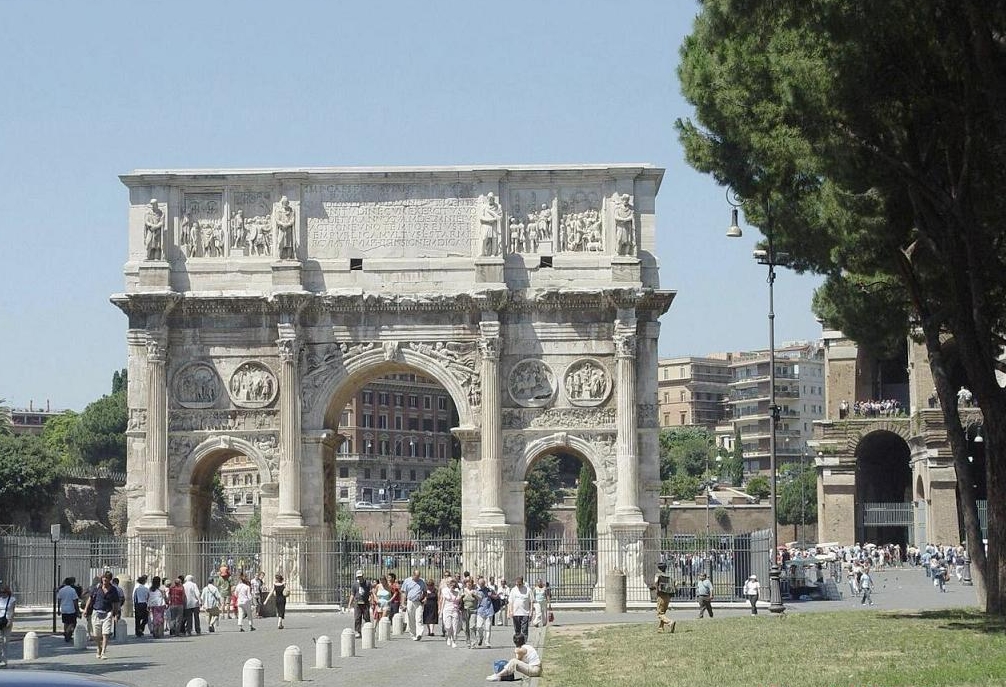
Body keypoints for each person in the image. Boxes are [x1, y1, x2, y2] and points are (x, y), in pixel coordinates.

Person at [83, 572, 119, 660]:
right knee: (96, 635)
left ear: (110, 579)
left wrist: (115, 614)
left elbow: (116, 602)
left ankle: (103, 652)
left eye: (107, 578)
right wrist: (86, 609)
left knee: (105, 634)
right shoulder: (97, 588)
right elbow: (90, 598)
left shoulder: (113, 590)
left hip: (107, 613)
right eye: (103, 577)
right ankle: (99, 647)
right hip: (96, 612)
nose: (104, 579)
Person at [401, 568, 427, 641]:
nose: (418, 578)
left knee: (419, 618)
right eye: (417, 576)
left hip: (419, 602)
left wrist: (425, 598)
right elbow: (403, 592)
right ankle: (413, 634)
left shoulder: (422, 582)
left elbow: (425, 591)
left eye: (419, 576)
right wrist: (403, 603)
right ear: (413, 575)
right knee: (411, 619)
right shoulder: (407, 581)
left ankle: (419, 634)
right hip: (410, 601)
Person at [649, 562, 676, 632]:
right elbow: (674, 584)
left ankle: (670, 622)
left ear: (659, 568)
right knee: (663, 612)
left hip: (661, 595)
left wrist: (655, 589)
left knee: (659, 613)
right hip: (668, 595)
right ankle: (660, 628)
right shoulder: (669, 576)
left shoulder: (658, 575)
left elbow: (656, 582)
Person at [347, 569, 371, 638]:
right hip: (357, 603)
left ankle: (368, 629)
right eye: (358, 577)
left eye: (360, 576)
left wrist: (371, 599)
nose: (359, 578)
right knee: (357, 617)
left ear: (363, 576)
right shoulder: (354, 584)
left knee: (366, 617)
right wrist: (349, 604)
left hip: (365, 602)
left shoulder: (367, 583)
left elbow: (371, 592)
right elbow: (352, 594)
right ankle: (358, 631)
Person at [473, 577, 495, 648]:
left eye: (483, 584)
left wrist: (493, 594)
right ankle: (481, 637)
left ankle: (487, 642)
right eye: (481, 584)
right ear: (478, 584)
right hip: (480, 610)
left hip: (489, 610)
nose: (482, 585)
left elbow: (494, 596)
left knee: (488, 627)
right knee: (479, 627)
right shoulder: (476, 591)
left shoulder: (488, 590)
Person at [57, 577, 80, 642]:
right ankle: (67, 632)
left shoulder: (61, 590)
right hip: (71, 609)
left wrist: (58, 609)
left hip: (64, 609)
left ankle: (66, 634)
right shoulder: (72, 590)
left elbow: (59, 600)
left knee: (66, 622)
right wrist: (77, 610)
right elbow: (75, 601)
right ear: (71, 583)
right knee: (72, 623)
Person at [440, 576, 461, 648]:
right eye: (449, 583)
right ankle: (449, 636)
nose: (451, 585)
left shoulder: (457, 591)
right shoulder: (444, 590)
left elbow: (459, 600)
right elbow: (445, 599)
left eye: (452, 583)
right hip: (447, 610)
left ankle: (454, 641)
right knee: (448, 626)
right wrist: (441, 612)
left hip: (455, 610)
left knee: (455, 627)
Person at [0, 581, 16, 667]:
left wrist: (10, 620)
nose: (2, 594)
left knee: (5, 641)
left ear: (7, 592)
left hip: (7, 621)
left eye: (4, 592)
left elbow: (12, 611)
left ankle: (4, 659)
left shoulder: (12, 599)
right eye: (1, 592)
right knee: (0, 640)